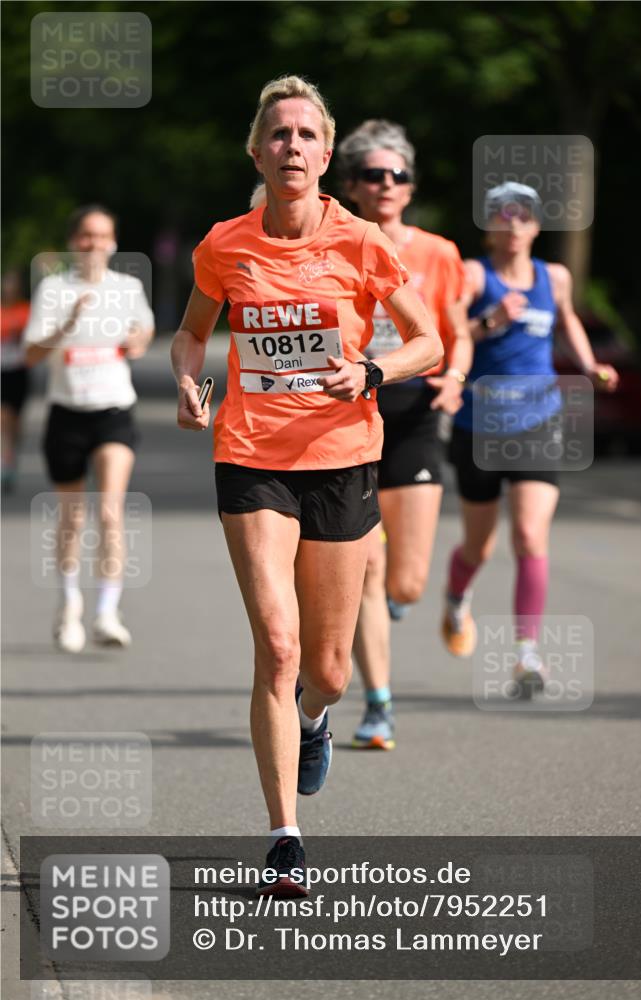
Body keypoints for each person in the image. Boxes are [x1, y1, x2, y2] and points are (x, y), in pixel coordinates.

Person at [170, 76, 442, 895]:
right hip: (251, 458)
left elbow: (426, 343)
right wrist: (189, 383)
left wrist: (369, 367)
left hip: (343, 459)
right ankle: (285, 834)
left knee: (324, 669)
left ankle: (317, 718)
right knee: (277, 646)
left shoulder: (361, 242)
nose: (291, 147)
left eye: (305, 136)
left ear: (326, 155)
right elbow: (190, 334)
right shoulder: (224, 245)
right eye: (277, 135)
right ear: (257, 152)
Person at [441, 182, 618, 695]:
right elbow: (450, 334)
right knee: (479, 545)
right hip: (480, 426)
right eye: (502, 214)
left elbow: (567, 324)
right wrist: (489, 323)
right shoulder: (476, 276)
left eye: (523, 216)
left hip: (539, 423)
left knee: (529, 537)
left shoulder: (554, 277)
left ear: (536, 226)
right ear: (490, 226)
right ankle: (457, 598)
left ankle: (527, 656)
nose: (513, 223)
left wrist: (589, 366)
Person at [336, 120, 472, 748]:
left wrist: (457, 376)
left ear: (410, 186)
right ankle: (379, 705)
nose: (387, 184)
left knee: (406, 582)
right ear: (353, 185)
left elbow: (456, 332)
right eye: (373, 174)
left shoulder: (439, 253)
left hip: (417, 412)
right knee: (368, 567)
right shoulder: (336, 245)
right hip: (350, 411)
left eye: (398, 175)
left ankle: (400, 599)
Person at [24, 205, 154, 653]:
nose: (94, 244)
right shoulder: (54, 290)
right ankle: (70, 606)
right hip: (67, 412)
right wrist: (67, 325)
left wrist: (138, 338)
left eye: (102, 236)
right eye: (85, 236)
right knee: (72, 517)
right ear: (73, 242)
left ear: (113, 243)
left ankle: (107, 613)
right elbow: (31, 355)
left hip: (113, 409)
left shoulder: (127, 287)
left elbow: (145, 330)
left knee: (111, 511)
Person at [1, 269, 31, 492]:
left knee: (15, 422)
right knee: (3, 418)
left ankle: (11, 457)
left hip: (18, 372)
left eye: (13, 284)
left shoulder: (25, 310)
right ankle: (6, 463)